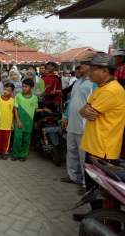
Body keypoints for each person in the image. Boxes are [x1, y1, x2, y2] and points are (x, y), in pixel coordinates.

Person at [74, 53, 125, 221]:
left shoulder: (111, 90)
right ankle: (95, 215)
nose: (89, 72)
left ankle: (103, 220)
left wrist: (87, 110)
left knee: (101, 191)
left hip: (103, 149)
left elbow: (90, 113)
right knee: (92, 187)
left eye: (93, 69)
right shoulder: (101, 88)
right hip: (94, 146)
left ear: (104, 70)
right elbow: (83, 111)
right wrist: (86, 110)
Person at [61, 56, 94, 187]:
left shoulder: (93, 83)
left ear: (89, 67)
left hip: (84, 125)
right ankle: (73, 176)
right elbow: (71, 101)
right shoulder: (77, 82)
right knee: (71, 151)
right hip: (72, 123)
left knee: (83, 155)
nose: (78, 69)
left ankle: (86, 183)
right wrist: (65, 115)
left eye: (81, 66)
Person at [12, 79, 42, 162]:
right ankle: (15, 154)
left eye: (26, 87)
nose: (24, 88)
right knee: (17, 138)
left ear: (31, 87)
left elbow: (36, 109)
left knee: (26, 139)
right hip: (19, 122)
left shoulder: (35, 98)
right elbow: (15, 109)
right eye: (23, 86)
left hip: (29, 122)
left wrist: (44, 110)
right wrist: (17, 120)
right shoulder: (18, 96)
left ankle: (23, 154)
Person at [0, 83, 15, 160]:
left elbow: (13, 112)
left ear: (12, 92)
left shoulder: (12, 101)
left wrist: (12, 123)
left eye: (8, 90)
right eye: (5, 89)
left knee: (6, 140)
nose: (6, 91)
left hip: (8, 125)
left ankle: (4, 152)